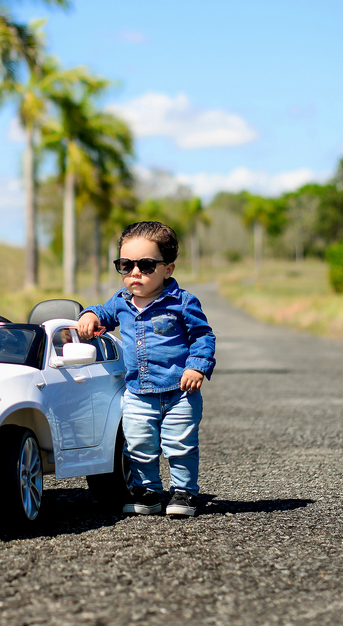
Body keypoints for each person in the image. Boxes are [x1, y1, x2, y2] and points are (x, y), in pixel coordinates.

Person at [76, 220, 216, 518]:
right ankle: (148, 493)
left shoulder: (182, 303)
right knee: (139, 445)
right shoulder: (122, 302)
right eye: (126, 265)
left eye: (147, 265)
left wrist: (197, 367)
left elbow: (203, 336)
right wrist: (89, 314)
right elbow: (102, 312)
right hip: (138, 393)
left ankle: (184, 493)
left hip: (180, 391)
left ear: (168, 269)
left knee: (180, 445)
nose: (135, 272)